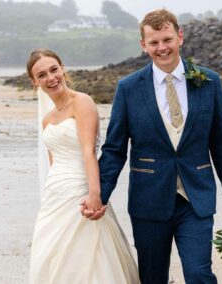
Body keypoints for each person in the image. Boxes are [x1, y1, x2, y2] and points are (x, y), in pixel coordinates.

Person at [82, 9, 222, 284]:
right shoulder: (129, 88)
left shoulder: (209, 82)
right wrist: (99, 195)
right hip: (148, 200)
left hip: (196, 199)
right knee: (152, 278)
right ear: (143, 46)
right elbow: (114, 149)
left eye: (167, 39)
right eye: (154, 42)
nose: (162, 48)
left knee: (199, 274)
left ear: (180, 37)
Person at [27, 48, 139, 284]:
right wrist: (49, 195)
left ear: (63, 68)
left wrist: (95, 195)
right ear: (34, 82)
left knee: (89, 256)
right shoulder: (47, 119)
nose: (51, 78)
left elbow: (89, 152)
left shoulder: (82, 102)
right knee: (53, 255)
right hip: (55, 197)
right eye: (42, 75)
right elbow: (53, 160)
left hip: (82, 190)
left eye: (54, 70)